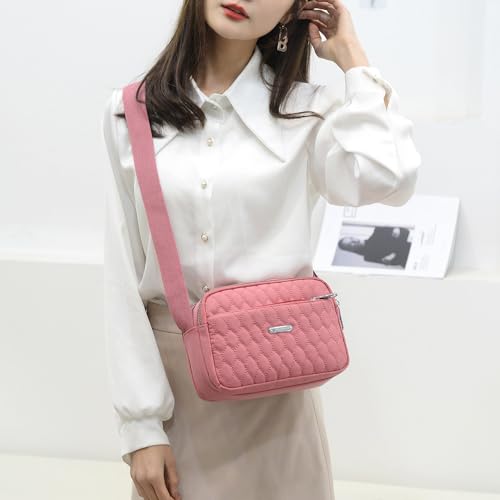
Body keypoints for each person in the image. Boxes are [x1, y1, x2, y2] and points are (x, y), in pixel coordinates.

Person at [101, 1, 421, 499]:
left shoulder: (309, 112)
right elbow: (123, 270)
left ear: (294, 10)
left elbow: (387, 178)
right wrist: (140, 426)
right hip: (176, 402)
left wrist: (353, 58)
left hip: (279, 395)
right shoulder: (131, 111)